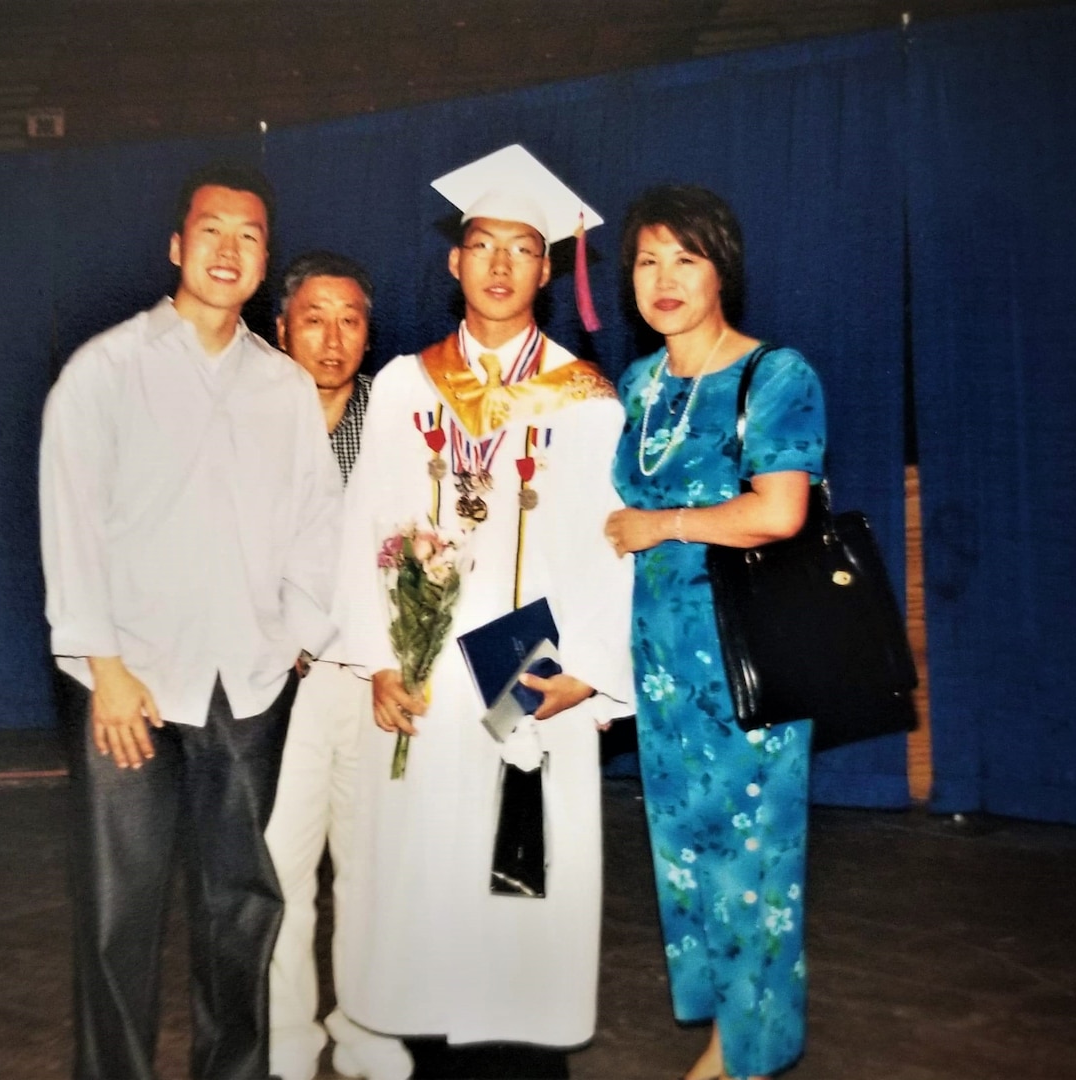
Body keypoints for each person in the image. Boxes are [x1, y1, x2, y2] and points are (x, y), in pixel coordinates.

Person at [332, 145, 634, 1073]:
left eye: (522, 249)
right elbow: (366, 527)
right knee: (428, 895)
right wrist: (379, 657)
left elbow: (608, 546)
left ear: (547, 269)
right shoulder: (404, 387)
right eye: (481, 245)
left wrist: (583, 669)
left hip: (527, 671)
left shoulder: (585, 401)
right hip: (427, 675)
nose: (500, 266)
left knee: (520, 895)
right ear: (454, 261)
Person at [39, 161, 343, 1080]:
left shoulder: (284, 388)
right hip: (126, 689)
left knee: (240, 908)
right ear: (178, 246)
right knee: (118, 912)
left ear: (263, 262)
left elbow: (318, 526)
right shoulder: (105, 369)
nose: (228, 249)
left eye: (249, 236)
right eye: (212, 230)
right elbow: (71, 517)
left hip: (245, 690)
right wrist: (106, 665)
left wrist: (291, 644)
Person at [605, 184, 826, 1080]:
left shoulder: (776, 374)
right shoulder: (638, 384)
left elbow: (779, 512)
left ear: (720, 267)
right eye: (647, 259)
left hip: (749, 661)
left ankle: (745, 1055)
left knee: (752, 867)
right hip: (661, 667)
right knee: (686, 856)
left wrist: (662, 525)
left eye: (684, 258)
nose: (663, 278)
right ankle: (728, 1034)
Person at [265, 251, 413, 1080]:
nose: (331, 337)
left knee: (369, 865)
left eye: (350, 318)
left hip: (368, 678)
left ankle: (367, 1034)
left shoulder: (393, 430)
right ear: (279, 328)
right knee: (282, 868)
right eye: (313, 318)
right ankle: (287, 1043)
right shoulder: (247, 425)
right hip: (275, 683)